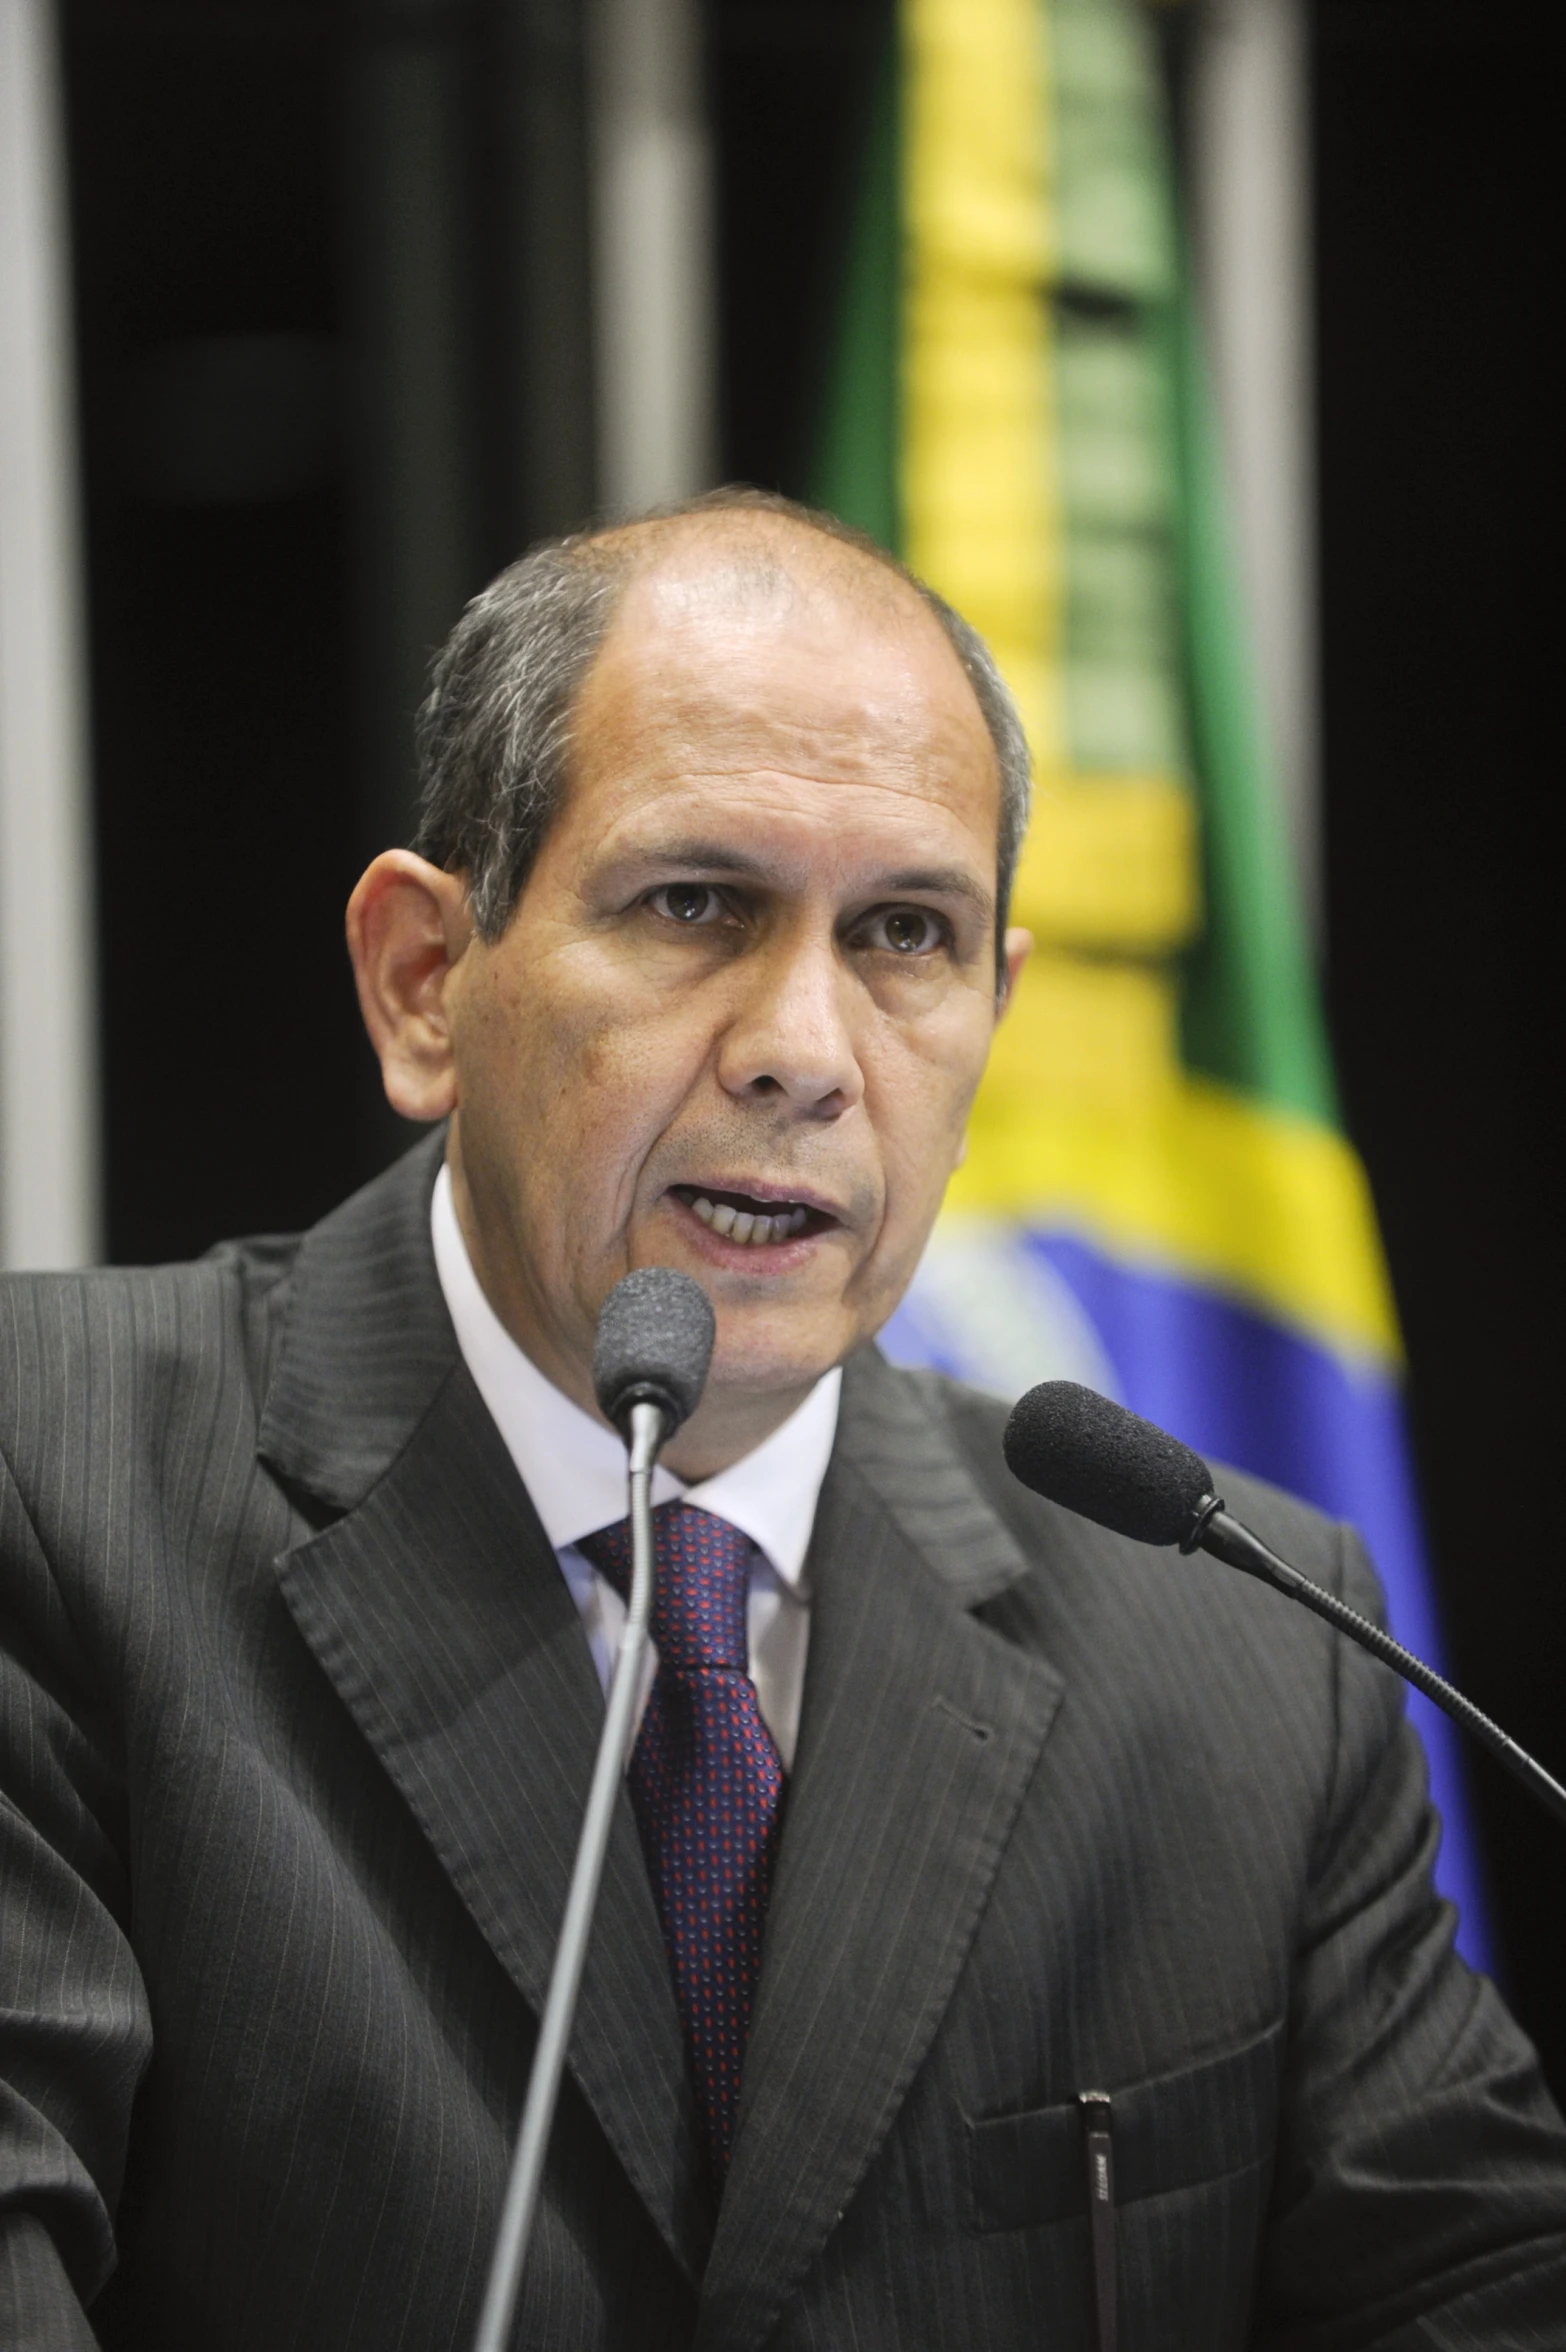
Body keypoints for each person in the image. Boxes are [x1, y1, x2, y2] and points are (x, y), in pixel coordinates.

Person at [1, 492, 1563, 2351]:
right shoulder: (53, 1475)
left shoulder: (1242, 1643)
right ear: (427, 982)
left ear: (993, 1013)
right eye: (693, 906)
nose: (804, 1052)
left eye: (905, 933)